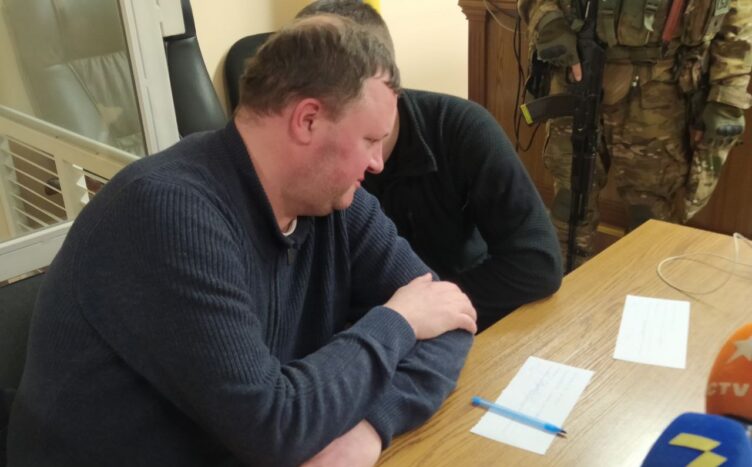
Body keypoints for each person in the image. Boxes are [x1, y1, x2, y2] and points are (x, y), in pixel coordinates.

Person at [6, 16, 478, 467]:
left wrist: (371, 427)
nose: (378, 163)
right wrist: (398, 321)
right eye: (370, 140)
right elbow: (273, 428)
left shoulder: (335, 202)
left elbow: (451, 320)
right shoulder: (167, 214)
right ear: (308, 120)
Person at [297, 0, 563, 332]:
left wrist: (428, 309)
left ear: (387, 85)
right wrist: (392, 322)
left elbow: (537, 263)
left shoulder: (462, 129)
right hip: (356, 337)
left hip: (458, 321)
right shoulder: (295, 154)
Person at [518, 0, 752, 266]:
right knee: (569, 202)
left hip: (660, 89)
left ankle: (642, 287)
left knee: (651, 217)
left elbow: (740, 13)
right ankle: (564, 283)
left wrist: (726, 98)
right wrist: (548, 21)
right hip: (576, 73)